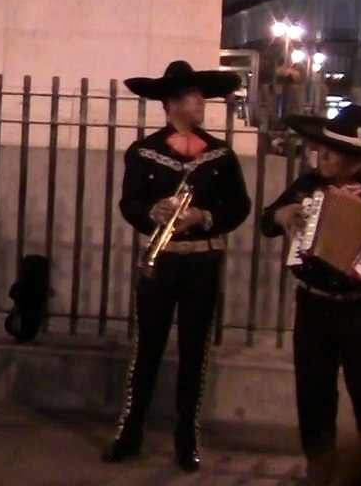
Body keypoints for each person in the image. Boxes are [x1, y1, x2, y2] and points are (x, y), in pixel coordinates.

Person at [105, 60, 251, 472]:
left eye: (201, 95)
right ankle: (129, 432)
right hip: (163, 260)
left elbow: (239, 206)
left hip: (203, 261)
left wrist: (204, 216)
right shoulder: (144, 151)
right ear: (172, 104)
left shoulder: (220, 154)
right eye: (192, 96)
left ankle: (187, 438)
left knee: (194, 352)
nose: (201, 102)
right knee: (147, 350)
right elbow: (128, 202)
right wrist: (153, 210)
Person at [259, 104, 361, 485]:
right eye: (319, 148)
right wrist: (281, 215)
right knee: (314, 397)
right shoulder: (306, 187)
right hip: (314, 304)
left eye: (331, 150)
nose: (321, 155)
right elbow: (267, 220)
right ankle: (319, 471)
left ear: (355, 158)